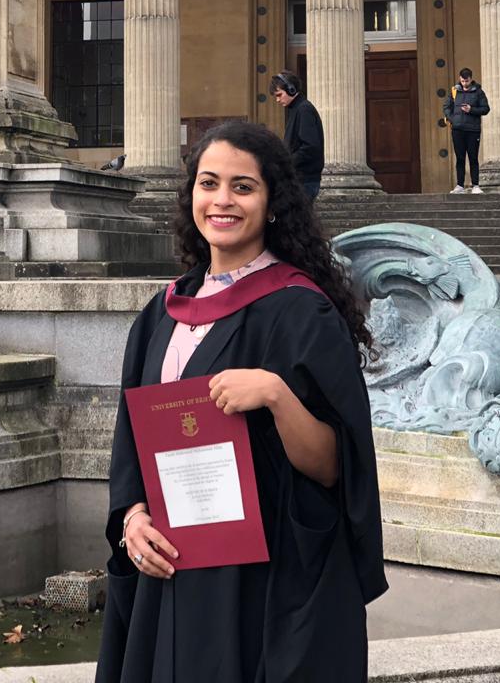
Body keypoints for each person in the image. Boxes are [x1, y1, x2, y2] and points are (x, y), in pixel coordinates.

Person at [95, 121, 386, 683]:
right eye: (209, 184)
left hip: (260, 575)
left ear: (272, 201)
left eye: (242, 187)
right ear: (192, 196)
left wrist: (275, 395)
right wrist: (132, 518)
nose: (222, 200)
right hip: (171, 561)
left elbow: (335, 466)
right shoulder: (162, 312)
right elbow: (131, 441)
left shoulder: (302, 310)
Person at [269, 70, 325, 200]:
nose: (277, 100)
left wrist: (286, 163)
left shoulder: (304, 109)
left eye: (279, 95)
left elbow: (310, 147)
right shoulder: (298, 109)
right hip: (301, 179)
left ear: (291, 90)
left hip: (305, 180)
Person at [443, 67, 490, 194]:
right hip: (457, 130)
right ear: (460, 78)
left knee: (473, 158)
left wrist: (471, 110)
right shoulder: (454, 91)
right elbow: (446, 107)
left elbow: (486, 109)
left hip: (473, 130)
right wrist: (452, 119)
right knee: (460, 158)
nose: (465, 84)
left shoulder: (478, 92)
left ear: (471, 79)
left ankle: (475, 185)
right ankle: (460, 185)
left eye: (467, 81)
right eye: (463, 81)